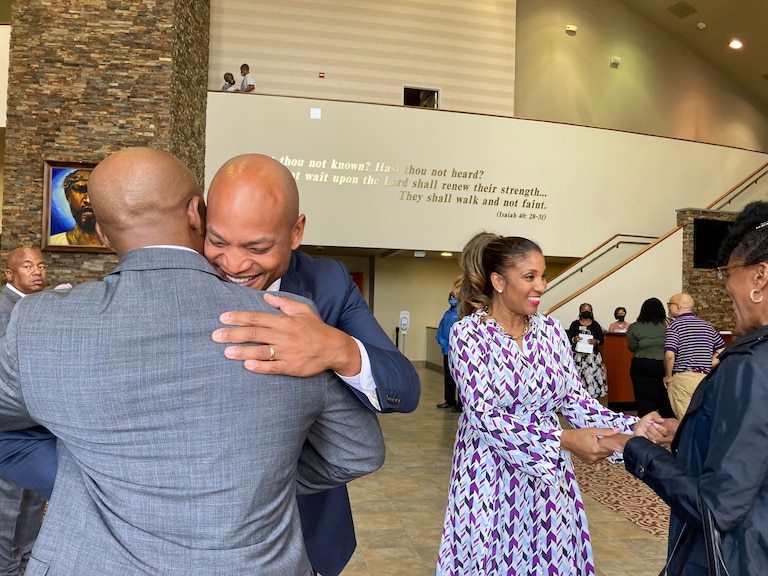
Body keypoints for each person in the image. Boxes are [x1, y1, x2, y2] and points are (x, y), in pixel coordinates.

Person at [0, 147, 385, 575]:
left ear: (104, 236)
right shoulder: (284, 320)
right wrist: (256, 481)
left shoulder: (40, 322)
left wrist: (91, 479)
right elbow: (359, 452)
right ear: (196, 213)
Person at [204, 153, 420, 576]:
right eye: (217, 241)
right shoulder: (178, 275)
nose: (232, 264)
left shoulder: (329, 284)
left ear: (296, 231)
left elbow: (405, 388)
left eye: (257, 247)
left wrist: (336, 348)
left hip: (304, 527)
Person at [436, 232, 646, 576]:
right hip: (489, 473)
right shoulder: (469, 335)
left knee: (548, 558)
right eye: (530, 277)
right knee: (493, 560)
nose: (541, 286)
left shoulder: (550, 330)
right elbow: (485, 416)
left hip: (548, 477)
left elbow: (575, 400)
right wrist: (562, 440)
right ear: (499, 281)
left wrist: (634, 429)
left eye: (543, 275)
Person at [601, 201, 768, 575]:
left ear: (760, 277)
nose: (725, 283)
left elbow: (715, 507)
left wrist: (635, 449)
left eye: (730, 272)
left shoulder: (750, 366)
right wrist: (693, 429)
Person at [0, 248, 49, 576]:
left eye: (41, 265)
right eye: (28, 266)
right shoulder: (3, 309)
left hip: (41, 420)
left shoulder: (44, 306)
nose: (37, 272)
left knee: (33, 502)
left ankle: (29, 563)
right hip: (10, 426)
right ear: (9, 274)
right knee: (7, 507)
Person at [663, 293, 725, 419]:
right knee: (703, 417)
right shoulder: (707, 326)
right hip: (705, 379)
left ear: (678, 307)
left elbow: (669, 355)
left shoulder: (675, 326)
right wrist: (708, 364)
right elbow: (722, 351)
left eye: (670, 304)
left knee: (685, 420)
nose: (668, 308)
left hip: (683, 379)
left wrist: (668, 377)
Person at [626, 297, 674, 418]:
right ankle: (667, 429)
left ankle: (645, 427)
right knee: (666, 398)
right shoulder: (670, 324)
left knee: (644, 399)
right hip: (665, 364)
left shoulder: (635, 326)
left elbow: (632, 347)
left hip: (642, 364)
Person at [48, 169, 102, 247]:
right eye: (80, 190)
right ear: (67, 195)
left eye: (95, 192)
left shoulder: (118, 245)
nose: (88, 200)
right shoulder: (54, 242)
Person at [566, 302, 608, 399]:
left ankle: (591, 402)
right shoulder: (575, 324)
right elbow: (568, 339)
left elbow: (601, 340)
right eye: (584, 310)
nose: (586, 312)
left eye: (588, 310)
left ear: (592, 312)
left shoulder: (595, 325)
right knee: (577, 379)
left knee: (591, 380)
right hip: (577, 357)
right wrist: (574, 339)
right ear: (580, 312)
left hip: (592, 358)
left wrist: (595, 341)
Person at [435, 291, 460, 411]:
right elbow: (441, 327)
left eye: (454, 298)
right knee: (448, 376)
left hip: (457, 351)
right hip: (446, 350)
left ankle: (461, 405)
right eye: (450, 297)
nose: (452, 300)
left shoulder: (461, 314)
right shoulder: (447, 314)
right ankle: (449, 400)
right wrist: (439, 338)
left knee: (459, 377)